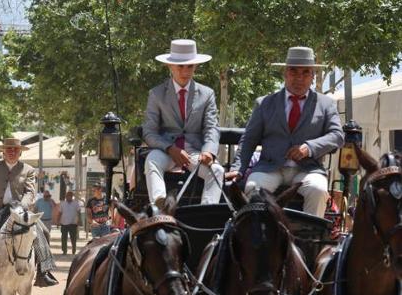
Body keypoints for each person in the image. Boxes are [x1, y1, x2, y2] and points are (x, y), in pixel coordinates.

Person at [230, 46, 344, 217]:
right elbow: (249, 140)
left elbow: (337, 136)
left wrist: (309, 147)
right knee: (253, 188)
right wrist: (238, 168)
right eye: (293, 71)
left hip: (308, 170)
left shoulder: (326, 104)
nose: (299, 78)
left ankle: (311, 240)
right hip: (270, 168)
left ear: (313, 76)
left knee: (318, 190)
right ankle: (258, 239)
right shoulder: (264, 104)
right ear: (285, 73)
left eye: (306, 72)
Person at [143, 39, 223, 209]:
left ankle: (207, 213)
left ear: (195, 67)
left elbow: (211, 128)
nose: (185, 71)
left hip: (195, 153)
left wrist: (208, 151)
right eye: (180, 66)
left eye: (190, 66)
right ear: (170, 67)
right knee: (151, 160)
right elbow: (149, 132)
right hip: (166, 151)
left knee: (217, 171)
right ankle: (160, 205)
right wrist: (170, 148)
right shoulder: (156, 94)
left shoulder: (207, 94)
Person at [0, 137, 58, 287]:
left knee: (44, 232)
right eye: (9, 149)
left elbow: (30, 193)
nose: (12, 152)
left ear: (20, 152)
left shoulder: (28, 170)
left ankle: (43, 272)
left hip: (21, 212)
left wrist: (22, 208)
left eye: (15, 150)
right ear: (3, 152)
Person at [59, 191, 81, 255]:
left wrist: (79, 220)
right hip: (64, 223)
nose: (69, 197)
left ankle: (73, 250)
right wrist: (58, 221)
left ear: (72, 197)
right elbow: (60, 213)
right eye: (68, 196)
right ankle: (64, 251)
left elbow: (78, 212)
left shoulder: (76, 203)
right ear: (66, 197)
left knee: (73, 238)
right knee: (64, 238)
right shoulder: (62, 204)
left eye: (70, 196)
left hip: (73, 223)